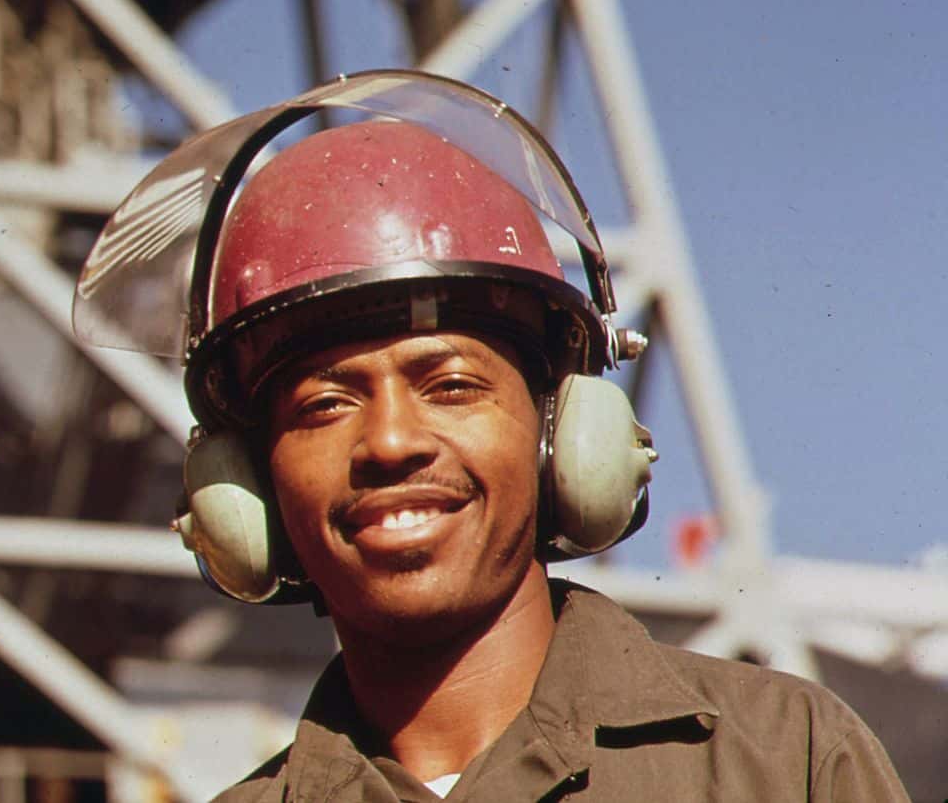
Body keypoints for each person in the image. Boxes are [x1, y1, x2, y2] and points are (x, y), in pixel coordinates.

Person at [74, 71, 908, 801]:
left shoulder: (781, 766)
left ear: (563, 435)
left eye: (452, 386)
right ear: (251, 488)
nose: (391, 441)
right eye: (324, 406)